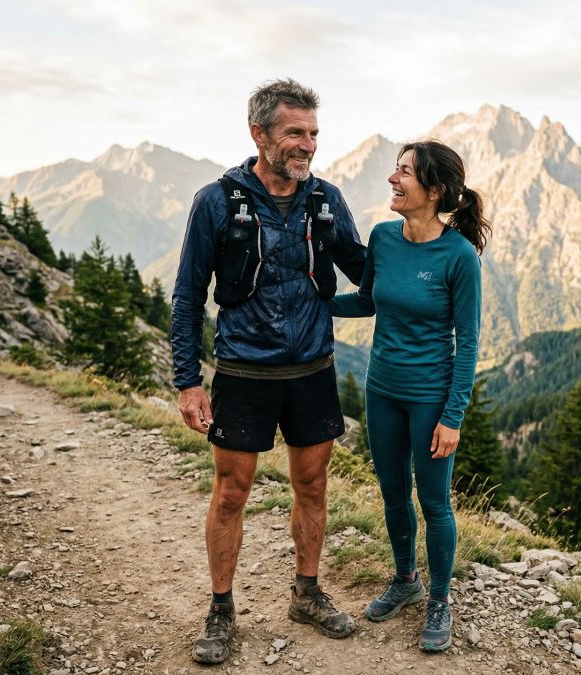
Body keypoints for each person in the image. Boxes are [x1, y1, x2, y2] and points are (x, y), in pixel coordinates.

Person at [171, 78, 367, 665]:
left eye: (313, 134)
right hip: (243, 372)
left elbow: (363, 269)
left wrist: (431, 249)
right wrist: (187, 380)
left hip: (312, 369)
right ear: (259, 135)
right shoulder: (216, 201)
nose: (307, 145)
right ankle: (221, 611)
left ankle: (306, 594)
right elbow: (188, 297)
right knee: (231, 493)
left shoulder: (326, 199)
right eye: (294, 134)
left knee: (312, 485)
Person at [330, 140, 487, 652]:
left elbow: (469, 343)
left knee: (434, 501)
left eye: (404, 174)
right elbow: (368, 300)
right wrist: (313, 301)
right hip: (383, 391)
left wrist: (453, 415)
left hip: (430, 397)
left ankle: (439, 599)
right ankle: (405, 579)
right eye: (394, 170)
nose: (392, 180)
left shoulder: (459, 257)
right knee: (393, 493)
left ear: (434, 190)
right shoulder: (383, 238)